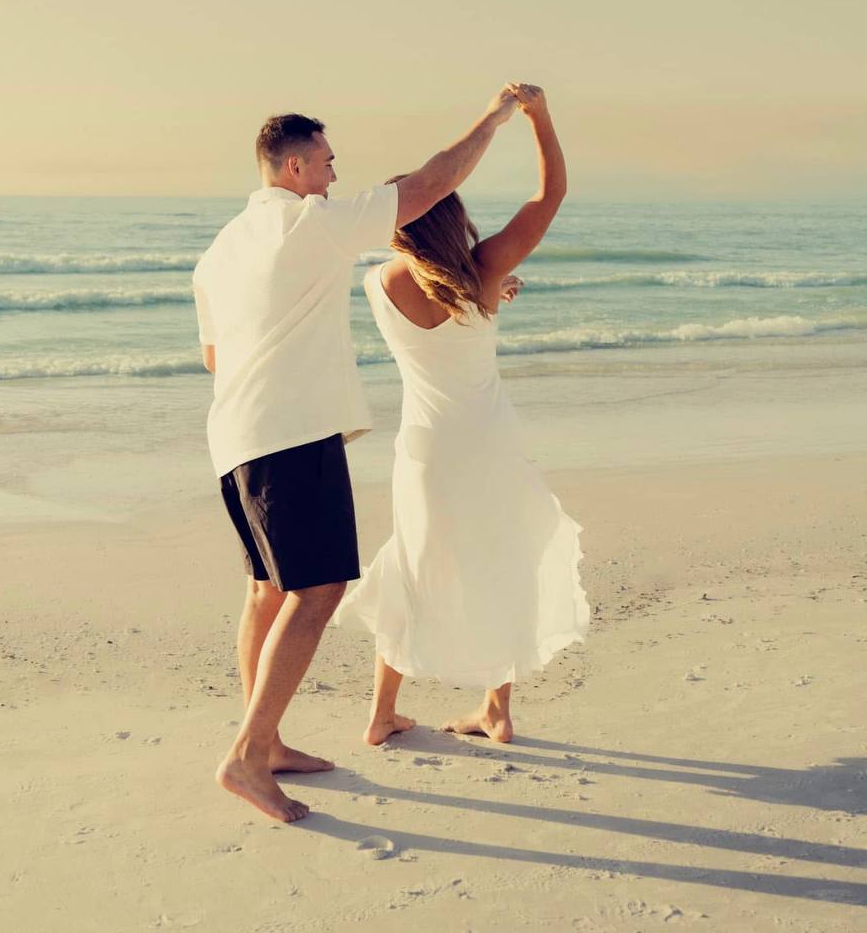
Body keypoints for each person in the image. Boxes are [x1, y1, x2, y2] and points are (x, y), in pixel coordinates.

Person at [192, 88, 519, 824]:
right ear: (298, 166)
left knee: (266, 592)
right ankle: (247, 757)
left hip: (235, 436)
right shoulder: (312, 224)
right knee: (319, 590)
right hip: (292, 434)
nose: (336, 178)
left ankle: (266, 741)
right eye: (330, 164)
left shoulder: (219, 251)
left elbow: (216, 357)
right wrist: (495, 117)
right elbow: (430, 186)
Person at [336, 84, 589, 745]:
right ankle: (497, 710)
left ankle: (381, 712)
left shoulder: (375, 283)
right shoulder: (483, 272)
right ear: (452, 216)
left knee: (410, 564)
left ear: (398, 224)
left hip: (426, 449)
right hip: (490, 443)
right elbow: (548, 196)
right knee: (502, 559)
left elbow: (430, 298)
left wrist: (489, 294)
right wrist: (540, 117)